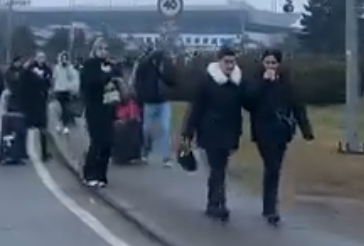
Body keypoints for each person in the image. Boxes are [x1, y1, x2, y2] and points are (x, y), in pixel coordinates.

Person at [245, 49, 314, 226]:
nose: (270, 66)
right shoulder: (255, 82)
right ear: (262, 64)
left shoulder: (286, 84)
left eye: (273, 63)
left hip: (281, 131)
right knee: (272, 166)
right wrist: (265, 84)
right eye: (267, 63)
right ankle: (270, 207)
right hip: (262, 131)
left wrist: (306, 129)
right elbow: (249, 102)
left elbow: (298, 106)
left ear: (279, 65)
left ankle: (269, 205)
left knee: (274, 168)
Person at [181, 46, 246, 221]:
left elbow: (242, 107)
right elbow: (196, 108)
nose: (230, 65)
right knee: (217, 168)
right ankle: (218, 203)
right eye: (227, 62)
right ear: (219, 61)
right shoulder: (207, 82)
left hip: (229, 132)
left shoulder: (237, 83)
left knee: (220, 169)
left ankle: (214, 202)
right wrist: (188, 132)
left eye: (233, 62)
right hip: (210, 131)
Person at [79, 38, 122, 187]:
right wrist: (105, 75)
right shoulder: (90, 65)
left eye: (106, 49)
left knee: (107, 142)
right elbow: (89, 84)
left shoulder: (111, 66)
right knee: (97, 141)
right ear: (95, 50)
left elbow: (118, 78)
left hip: (109, 107)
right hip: (94, 107)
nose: (103, 52)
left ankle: (102, 175)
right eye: (100, 49)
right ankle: (90, 173)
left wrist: (113, 73)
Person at [134, 49, 176, 166]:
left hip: (163, 102)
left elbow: (172, 81)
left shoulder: (166, 66)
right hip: (149, 102)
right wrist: (141, 97)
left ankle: (166, 157)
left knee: (165, 128)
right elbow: (138, 82)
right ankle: (145, 152)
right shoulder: (144, 66)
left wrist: (165, 72)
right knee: (146, 129)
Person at [14, 50, 53, 161]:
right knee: (24, 127)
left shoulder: (47, 69)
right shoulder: (28, 69)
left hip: (41, 102)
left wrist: (41, 81)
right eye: (39, 57)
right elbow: (24, 81)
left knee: (43, 129)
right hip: (29, 102)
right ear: (35, 58)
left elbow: (48, 83)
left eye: (43, 57)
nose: (41, 59)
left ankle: (44, 153)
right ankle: (21, 152)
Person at [52, 52, 79, 134]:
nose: (64, 60)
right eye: (62, 58)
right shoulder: (56, 68)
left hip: (66, 90)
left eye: (65, 58)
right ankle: (59, 124)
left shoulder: (70, 68)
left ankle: (65, 125)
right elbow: (54, 78)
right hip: (58, 90)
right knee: (58, 109)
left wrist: (73, 89)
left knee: (66, 109)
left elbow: (73, 78)